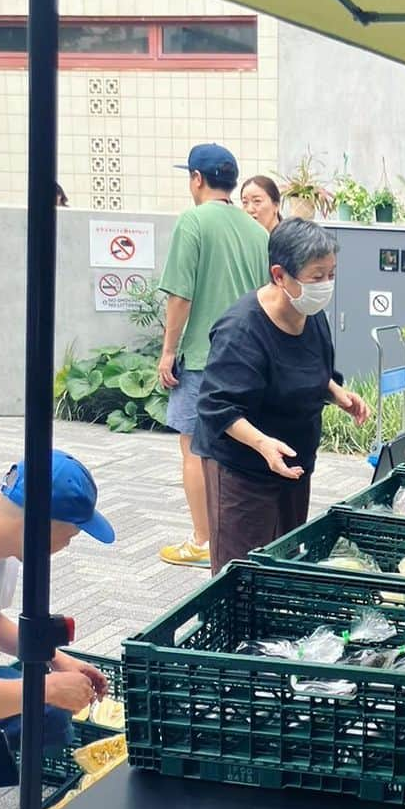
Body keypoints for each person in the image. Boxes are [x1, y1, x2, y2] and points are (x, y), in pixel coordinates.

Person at [0, 451, 115, 809]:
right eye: (69, 533)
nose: (68, 544)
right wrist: (47, 688)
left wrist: (56, 660)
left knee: (46, 711)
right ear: (40, 522)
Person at [191, 218, 370, 575]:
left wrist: (336, 393)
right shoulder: (242, 328)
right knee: (242, 573)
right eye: (316, 277)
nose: (326, 285)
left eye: (332, 274)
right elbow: (217, 405)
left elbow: (311, 368)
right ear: (279, 275)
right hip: (245, 471)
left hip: (293, 465)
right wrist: (263, 444)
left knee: (284, 561)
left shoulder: (310, 312)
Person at [157, 143, 269, 568]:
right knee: (241, 451)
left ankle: (204, 541)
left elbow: (180, 296)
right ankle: (240, 539)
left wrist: (168, 352)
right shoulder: (258, 231)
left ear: (197, 179)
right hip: (248, 361)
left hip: (203, 358)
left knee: (194, 452)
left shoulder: (193, 222)